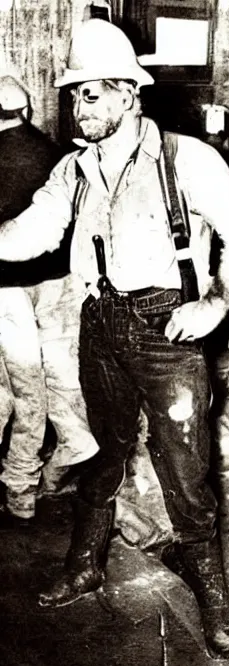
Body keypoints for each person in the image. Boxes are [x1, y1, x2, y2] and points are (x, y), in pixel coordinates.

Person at [0, 20, 229, 659]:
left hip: (166, 332)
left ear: (128, 93)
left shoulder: (187, 158)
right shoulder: (75, 169)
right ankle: (86, 563)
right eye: (73, 95)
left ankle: (213, 602)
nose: (78, 106)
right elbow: (32, 233)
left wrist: (215, 304)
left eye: (92, 94)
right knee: (103, 452)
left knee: (184, 472)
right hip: (100, 326)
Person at [0, 74, 98, 521]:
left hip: (6, 291)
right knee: (64, 380)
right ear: (27, 110)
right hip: (60, 283)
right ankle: (65, 466)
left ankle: (20, 489)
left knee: (22, 389)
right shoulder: (58, 156)